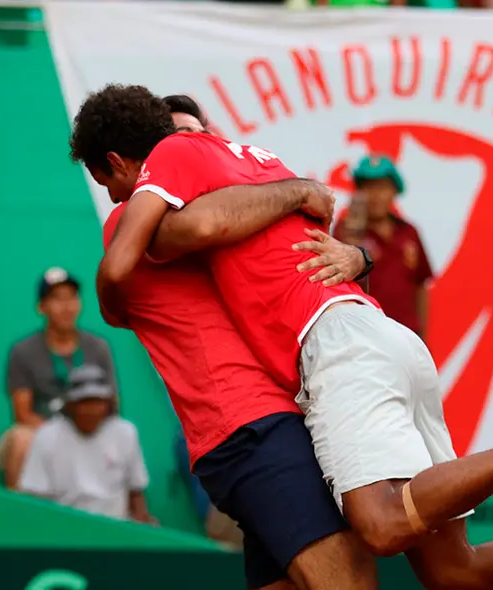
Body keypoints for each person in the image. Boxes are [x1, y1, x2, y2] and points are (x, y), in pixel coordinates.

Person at [73, 83, 493, 590]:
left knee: (378, 528)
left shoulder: (170, 175)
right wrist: (315, 205)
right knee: (455, 571)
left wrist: (307, 209)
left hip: (321, 364)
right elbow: (303, 214)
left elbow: (141, 261)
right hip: (379, 342)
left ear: (129, 162)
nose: (123, 195)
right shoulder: (261, 166)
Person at [92, 91, 380, 590]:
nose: (196, 147)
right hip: (251, 427)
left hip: (262, 424)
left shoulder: (182, 214)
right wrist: (298, 190)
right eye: (183, 140)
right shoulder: (136, 221)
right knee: (348, 581)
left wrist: (356, 255)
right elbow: (206, 220)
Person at [0, 267, 118, 489]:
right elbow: (22, 414)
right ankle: (15, 516)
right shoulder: (23, 351)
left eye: (72, 297)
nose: (66, 306)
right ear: (41, 307)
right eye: (56, 298)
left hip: (91, 431)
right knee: (19, 439)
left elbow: (112, 406)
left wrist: (83, 432)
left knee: (123, 433)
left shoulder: (99, 348)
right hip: (42, 432)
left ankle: (130, 515)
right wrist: (63, 436)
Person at [18, 365, 154, 523]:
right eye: (85, 403)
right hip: (65, 529)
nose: (92, 410)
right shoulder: (47, 436)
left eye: (98, 402)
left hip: (116, 529)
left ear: (108, 404)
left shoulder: (125, 432)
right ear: (70, 405)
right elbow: (36, 498)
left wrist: (143, 522)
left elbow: (136, 492)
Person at [333, 156, 433, 338]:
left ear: (395, 191)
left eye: (382, 187)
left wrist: (423, 337)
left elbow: (420, 286)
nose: (375, 195)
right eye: (368, 187)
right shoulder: (345, 231)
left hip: (408, 336)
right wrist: (351, 236)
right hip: (365, 337)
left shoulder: (409, 232)